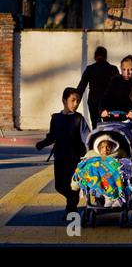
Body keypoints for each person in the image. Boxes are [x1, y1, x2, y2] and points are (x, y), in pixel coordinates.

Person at [36, 87, 90, 218]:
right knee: (59, 186)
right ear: (64, 101)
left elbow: (87, 136)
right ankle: (72, 198)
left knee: (73, 185)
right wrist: (42, 144)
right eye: (73, 101)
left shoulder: (79, 118)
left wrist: (94, 147)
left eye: (77, 101)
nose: (76, 104)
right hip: (60, 156)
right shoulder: (56, 118)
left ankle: (71, 210)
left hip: (75, 158)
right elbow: (52, 136)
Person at [100, 54, 132, 185]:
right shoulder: (114, 82)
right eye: (124, 69)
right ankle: (117, 185)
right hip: (117, 124)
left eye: (130, 69)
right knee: (117, 156)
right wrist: (103, 110)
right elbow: (105, 99)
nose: (127, 72)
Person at [76, 46, 119, 129]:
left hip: (93, 102)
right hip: (109, 103)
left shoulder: (89, 69)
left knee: (95, 125)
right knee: (109, 126)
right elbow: (119, 87)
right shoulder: (113, 69)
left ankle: (95, 140)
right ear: (106, 57)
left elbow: (81, 87)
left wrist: (76, 101)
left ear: (95, 57)